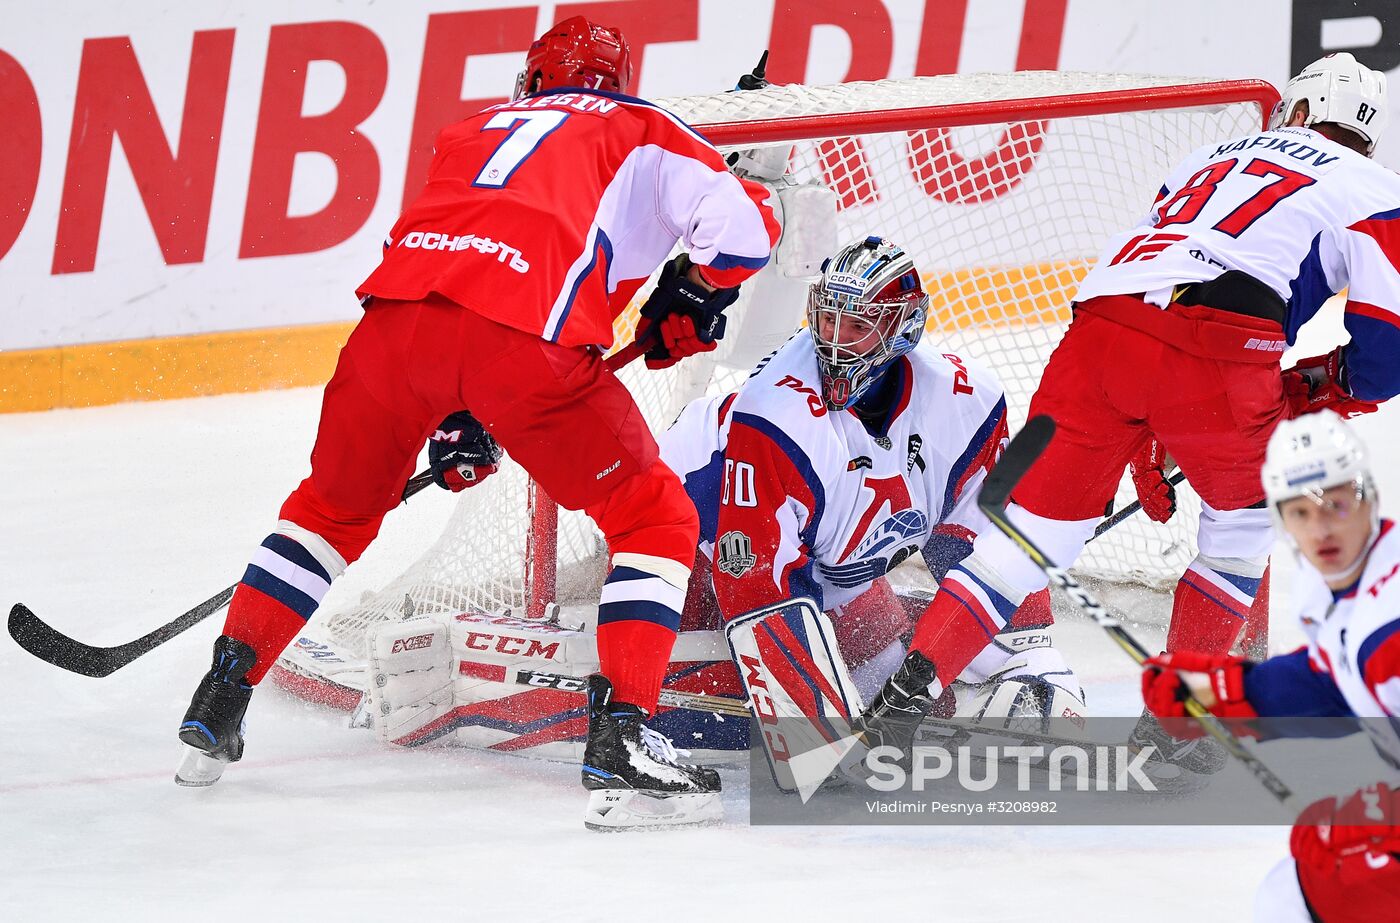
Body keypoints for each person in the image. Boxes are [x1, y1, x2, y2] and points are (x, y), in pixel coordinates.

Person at [174, 16, 780, 829]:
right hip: (522, 344)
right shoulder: (637, 124)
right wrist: (698, 292)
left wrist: (457, 413)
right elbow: (748, 228)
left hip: (390, 336)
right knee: (655, 517)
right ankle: (626, 735)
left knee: (331, 508)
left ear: (530, 81)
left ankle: (221, 693)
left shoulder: (471, 130)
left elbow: (455, 264)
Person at [857, 52, 1400, 765]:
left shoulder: (1214, 152)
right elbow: (1382, 359)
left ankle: (900, 703)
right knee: (1237, 533)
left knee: (1021, 544)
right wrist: (1308, 387)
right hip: (1221, 353)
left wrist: (1151, 431)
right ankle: (1172, 733)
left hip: (1097, 336)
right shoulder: (1371, 185)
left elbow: (1165, 285)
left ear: (1295, 111)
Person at [659, 236, 1087, 724]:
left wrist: (1027, 654)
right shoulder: (776, 416)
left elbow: (981, 548)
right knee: (719, 716)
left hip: (827, 571)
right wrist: (816, 735)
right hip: (691, 532)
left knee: (923, 700)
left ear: (903, 327)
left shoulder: (966, 403)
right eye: (827, 321)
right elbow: (756, 583)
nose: (834, 342)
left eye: (857, 326)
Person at [1140, 413, 1400, 920]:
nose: (1320, 529)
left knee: (1329, 879)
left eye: (1336, 506)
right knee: (1293, 891)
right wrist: (1224, 692)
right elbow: (1332, 680)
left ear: (1366, 497)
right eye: (1300, 513)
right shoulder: (1347, 586)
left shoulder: (1389, 621)